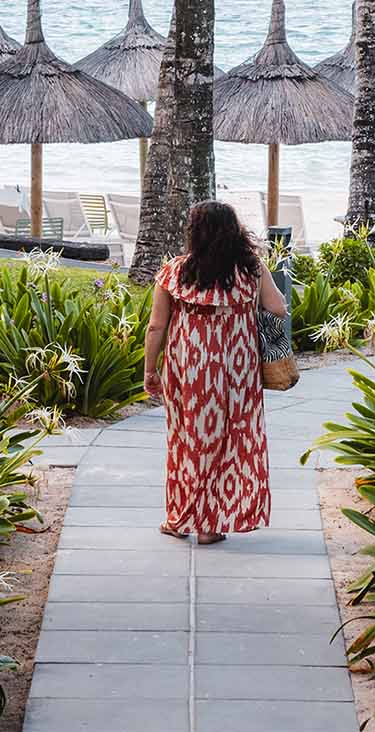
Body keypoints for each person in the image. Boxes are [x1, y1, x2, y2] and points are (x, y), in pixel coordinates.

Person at [142, 200, 289, 544]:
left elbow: (156, 327)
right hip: (238, 369)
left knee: (188, 440)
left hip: (189, 368)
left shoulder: (175, 272)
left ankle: (181, 519)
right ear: (234, 232)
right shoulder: (252, 269)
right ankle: (212, 524)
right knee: (230, 440)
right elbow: (278, 307)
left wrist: (151, 369)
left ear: (194, 233)